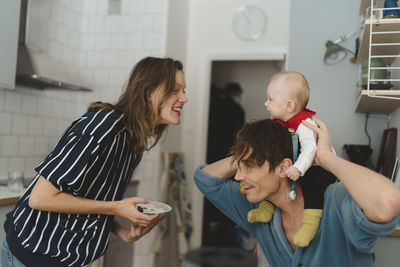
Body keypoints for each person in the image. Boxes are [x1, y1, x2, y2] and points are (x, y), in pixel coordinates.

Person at [1, 57, 188, 267]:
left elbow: (96, 199)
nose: (184, 98)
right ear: (149, 92)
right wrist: (117, 207)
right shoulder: (104, 125)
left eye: (184, 91)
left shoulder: (133, 140)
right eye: (175, 90)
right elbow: (40, 198)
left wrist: (123, 232)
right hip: (30, 256)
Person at [194, 118, 400, 266]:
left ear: (284, 167)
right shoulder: (255, 207)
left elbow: (389, 202)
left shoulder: (335, 201)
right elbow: (205, 179)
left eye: (248, 166)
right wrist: (243, 154)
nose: (238, 177)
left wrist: (326, 158)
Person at [246, 71, 335, 247]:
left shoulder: (305, 125)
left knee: (312, 185)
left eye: (270, 99)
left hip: (320, 168)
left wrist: (298, 169)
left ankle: (309, 224)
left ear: (289, 106)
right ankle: (267, 208)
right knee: (274, 176)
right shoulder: (283, 124)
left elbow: (310, 149)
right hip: (300, 163)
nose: (266, 103)